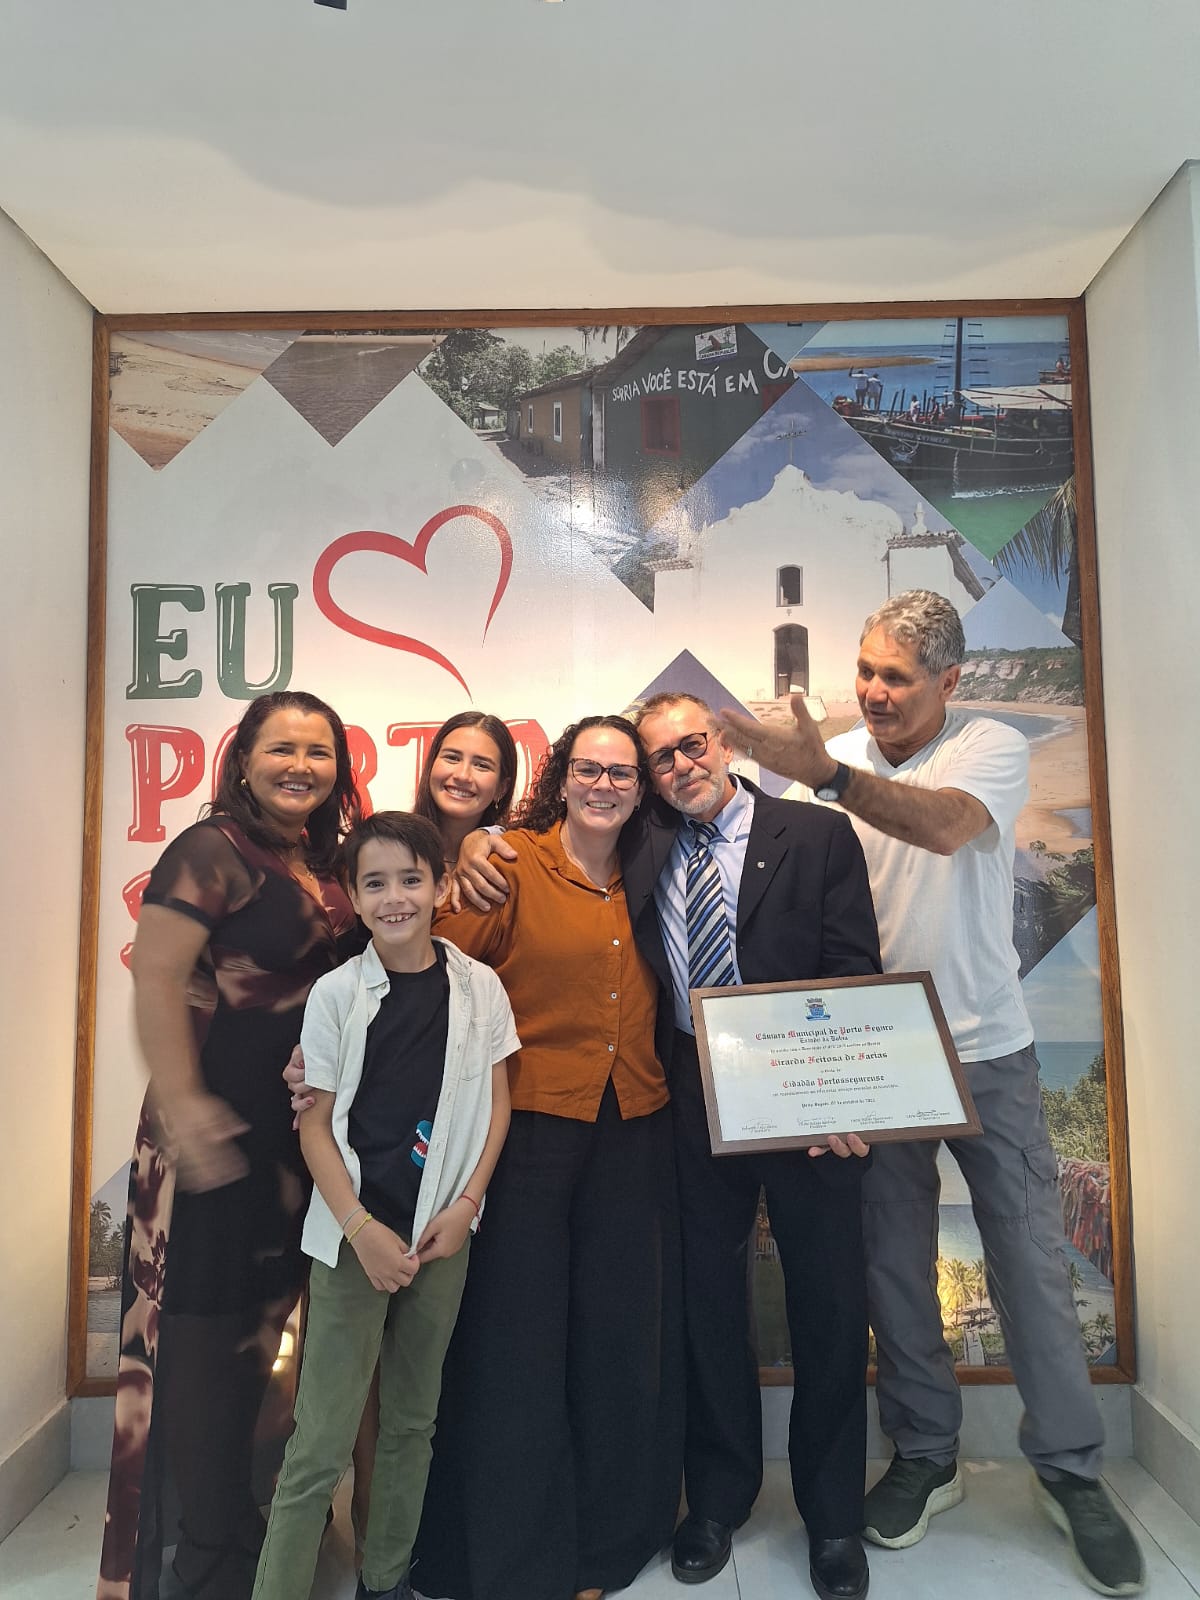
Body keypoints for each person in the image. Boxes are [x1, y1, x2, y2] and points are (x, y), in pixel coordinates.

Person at [719, 591, 1145, 1599]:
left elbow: (946, 829)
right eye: (866, 670)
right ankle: (925, 1452)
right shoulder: (826, 762)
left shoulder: (985, 746)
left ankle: (1071, 1468)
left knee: (1030, 1261)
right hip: (874, 1057)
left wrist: (829, 777)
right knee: (892, 1268)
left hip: (991, 1049)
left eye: (898, 677)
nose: (875, 691)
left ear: (949, 681)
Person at [97, 691, 363, 1600]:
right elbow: (157, 980)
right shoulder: (210, 851)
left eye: (319, 751)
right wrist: (186, 1108)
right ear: (243, 758)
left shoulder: (327, 864)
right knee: (207, 1347)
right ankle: (206, 1559)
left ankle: (260, 1529)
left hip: (301, 1144)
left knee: (269, 1337)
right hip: (212, 1135)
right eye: (281, 748)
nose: (301, 766)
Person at [412, 716, 683, 1600]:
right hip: (529, 1132)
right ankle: (519, 1559)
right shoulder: (510, 864)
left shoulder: (655, 867)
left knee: (617, 1342)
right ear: (562, 779)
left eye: (623, 773)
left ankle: (606, 1545)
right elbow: (433, 971)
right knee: (516, 1346)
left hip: (633, 1130)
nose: (606, 785)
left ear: (640, 789)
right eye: (589, 769)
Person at [625, 694, 882, 1600]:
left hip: (804, 1096)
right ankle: (717, 1500)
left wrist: (841, 1092)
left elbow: (852, 967)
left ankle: (833, 1518)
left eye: (691, 744)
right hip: (690, 1097)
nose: (680, 765)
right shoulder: (641, 844)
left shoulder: (815, 835)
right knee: (706, 1302)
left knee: (828, 1304)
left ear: (725, 743)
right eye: (660, 758)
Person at [251, 812, 518, 1600]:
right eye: (375, 883)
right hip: (353, 1241)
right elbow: (313, 1127)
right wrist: (360, 1229)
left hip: (441, 1237)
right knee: (319, 1443)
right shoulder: (337, 994)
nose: (394, 897)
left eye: (411, 879)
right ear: (354, 896)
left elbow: (498, 1107)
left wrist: (467, 1205)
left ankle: (387, 1578)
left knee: (411, 1423)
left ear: (440, 885)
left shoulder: (480, 987)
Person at [346, 711, 518, 1546]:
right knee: (365, 1366)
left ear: (505, 782)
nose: (463, 773)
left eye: (484, 763)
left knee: (438, 1355)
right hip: (371, 1138)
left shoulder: (509, 860)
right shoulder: (385, 849)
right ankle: (369, 1529)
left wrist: (485, 843)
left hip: (460, 1136)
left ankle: (421, 1533)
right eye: (451, 755)